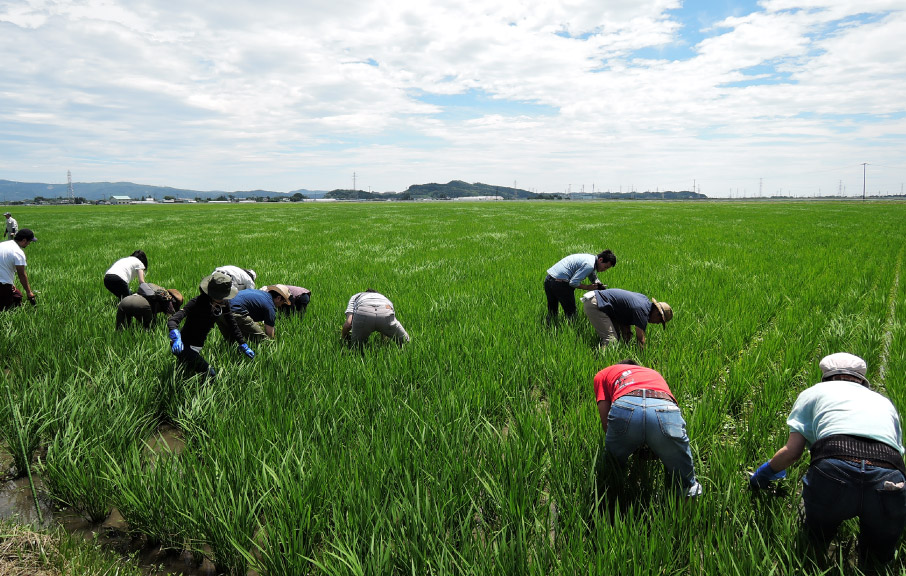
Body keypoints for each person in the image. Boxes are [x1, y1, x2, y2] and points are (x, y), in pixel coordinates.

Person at [749, 353, 906, 566]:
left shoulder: (813, 392)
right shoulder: (884, 402)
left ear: (827, 375)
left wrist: (763, 474)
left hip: (833, 470)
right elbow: (895, 449)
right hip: (889, 476)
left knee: (814, 545)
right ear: (861, 379)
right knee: (876, 560)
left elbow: (793, 452)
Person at [594, 360, 702, 497]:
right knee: (686, 483)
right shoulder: (653, 373)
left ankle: (611, 504)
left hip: (626, 404)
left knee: (612, 470)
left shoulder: (604, 373)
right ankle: (685, 514)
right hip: (664, 407)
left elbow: (606, 422)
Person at [167, 272, 255, 379]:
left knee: (186, 373)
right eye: (221, 297)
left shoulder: (223, 304)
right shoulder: (197, 302)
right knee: (210, 374)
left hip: (197, 345)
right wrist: (176, 336)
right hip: (183, 346)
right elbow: (173, 320)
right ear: (212, 294)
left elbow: (232, 324)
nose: (224, 299)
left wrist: (243, 344)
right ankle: (201, 395)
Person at [581, 288, 672, 348]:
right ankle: (601, 365)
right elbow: (641, 340)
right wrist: (644, 357)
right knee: (611, 340)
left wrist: (627, 337)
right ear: (657, 313)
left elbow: (625, 315)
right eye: (660, 321)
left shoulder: (644, 301)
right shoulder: (643, 311)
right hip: (596, 304)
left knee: (619, 337)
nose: (656, 323)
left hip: (599, 301)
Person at [544, 250, 616, 322]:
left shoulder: (591, 259)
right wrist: (587, 287)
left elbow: (592, 274)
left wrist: (599, 284)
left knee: (552, 311)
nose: (605, 270)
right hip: (560, 284)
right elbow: (573, 283)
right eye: (605, 267)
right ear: (601, 260)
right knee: (571, 314)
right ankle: (571, 330)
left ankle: (548, 328)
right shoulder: (590, 265)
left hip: (549, 280)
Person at [217, 284, 291, 342]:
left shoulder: (260, 294)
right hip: (235, 313)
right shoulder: (270, 307)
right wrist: (275, 343)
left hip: (219, 311)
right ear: (278, 298)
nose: (281, 305)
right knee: (264, 342)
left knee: (231, 342)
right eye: (283, 302)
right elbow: (270, 332)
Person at [342, 289, 409, 347]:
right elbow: (386, 325)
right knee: (406, 343)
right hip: (385, 310)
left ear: (366, 292)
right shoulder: (383, 298)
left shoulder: (356, 296)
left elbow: (348, 324)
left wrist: (343, 340)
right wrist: (384, 344)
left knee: (356, 349)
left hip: (363, 312)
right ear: (376, 293)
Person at [115, 283, 183, 330]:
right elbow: (172, 319)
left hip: (125, 301)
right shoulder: (168, 300)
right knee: (148, 329)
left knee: (121, 330)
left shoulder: (155, 291)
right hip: (141, 304)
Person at [0, 229, 37, 310]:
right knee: (6, 309)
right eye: (29, 241)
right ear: (24, 240)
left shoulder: (3, 244)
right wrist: (29, 292)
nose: (29, 244)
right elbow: (22, 275)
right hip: (2, 284)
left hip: (3, 281)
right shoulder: (18, 253)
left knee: (17, 296)